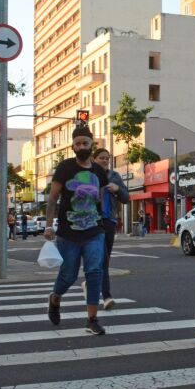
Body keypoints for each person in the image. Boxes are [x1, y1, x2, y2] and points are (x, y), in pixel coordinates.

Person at [43, 125, 108, 335]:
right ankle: (55, 298)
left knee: (95, 272)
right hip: (68, 232)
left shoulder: (99, 171)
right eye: (78, 143)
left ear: (92, 144)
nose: (81, 146)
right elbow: (53, 198)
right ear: (72, 145)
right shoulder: (65, 167)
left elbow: (99, 197)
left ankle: (92, 319)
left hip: (94, 230)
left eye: (85, 143)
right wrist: (48, 225)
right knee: (69, 275)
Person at [92, 148, 130, 310]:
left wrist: (117, 189)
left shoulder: (114, 176)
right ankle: (106, 295)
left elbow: (126, 198)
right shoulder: (89, 175)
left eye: (107, 158)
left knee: (104, 260)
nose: (105, 160)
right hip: (93, 221)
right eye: (102, 158)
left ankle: (91, 282)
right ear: (94, 159)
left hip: (109, 221)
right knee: (102, 258)